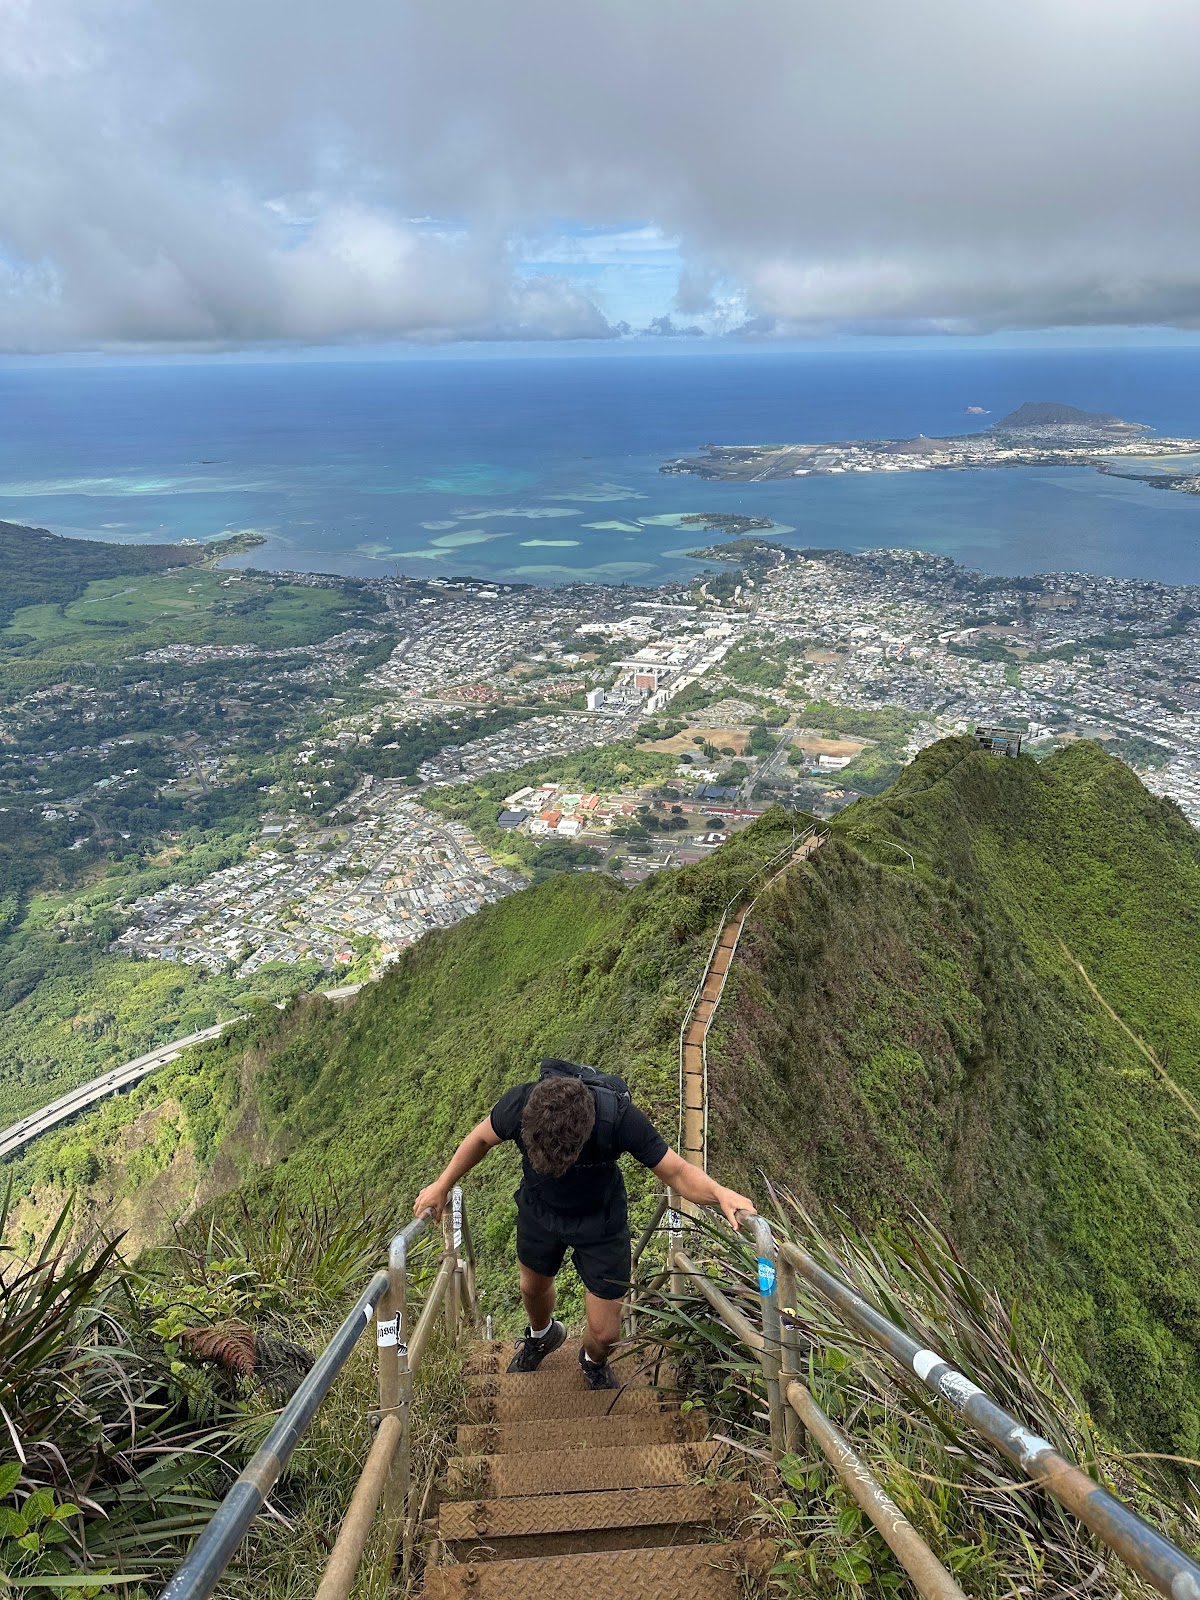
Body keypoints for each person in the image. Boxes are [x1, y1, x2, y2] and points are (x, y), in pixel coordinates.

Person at [413, 1058, 756, 1390]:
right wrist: (442, 1184)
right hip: (540, 1209)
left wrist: (719, 1192)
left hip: (601, 1219)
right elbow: (481, 1139)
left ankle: (593, 1362)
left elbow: (677, 1172)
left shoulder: (617, 1119)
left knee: (607, 1334)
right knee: (532, 1287)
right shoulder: (520, 1104)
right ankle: (541, 1335)